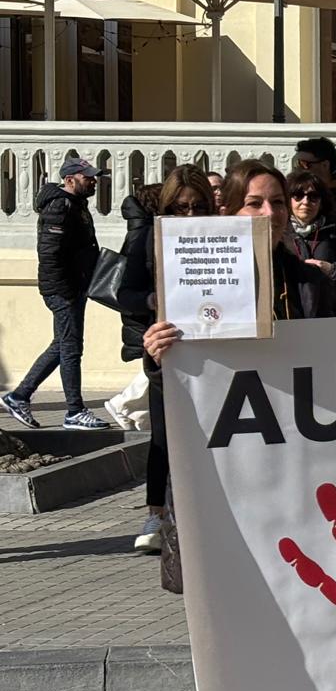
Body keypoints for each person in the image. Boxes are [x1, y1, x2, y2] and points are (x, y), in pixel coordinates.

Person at [144, 159, 336, 691]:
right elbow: (174, 384)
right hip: (214, 471)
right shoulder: (191, 273)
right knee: (223, 604)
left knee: (277, 606)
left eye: (277, 202)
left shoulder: (308, 285)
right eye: (254, 203)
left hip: (285, 470)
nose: (269, 214)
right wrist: (157, 353)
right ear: (229, 210)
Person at [120, 168, 213, 556]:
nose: (189, 215)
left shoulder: (227, 237)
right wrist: (152, 301)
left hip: (215, 348)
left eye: (198, 207)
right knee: (163, 435)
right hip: (167, 349)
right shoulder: (148, 238)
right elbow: (125, 293)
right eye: (180, 208)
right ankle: (156, 515)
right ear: (166, 207)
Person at [3, 157, 112, 431]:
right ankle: (75, 411)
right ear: (70, 180)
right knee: (71, 349)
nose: (93, 182)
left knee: (62, 345)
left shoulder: (75, 204)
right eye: (88, 177)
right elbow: (50, 254)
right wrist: (66, 292)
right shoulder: (59, 207)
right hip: (64, 290)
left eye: (94, 177)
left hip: (74, 287)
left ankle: (19, 396)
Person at [103, 182, 163, 435]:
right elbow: (128, 288)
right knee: (155, 365)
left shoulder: (140, 228)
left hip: (144, 311)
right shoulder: (144, 233)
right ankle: (123, 405)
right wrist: (150, 300)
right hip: (144, 312)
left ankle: (128, 408)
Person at [284, 169, 336, 303]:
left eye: (313, 196)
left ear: (322, 202)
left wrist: (332, 270)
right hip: (291, 310)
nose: (306, 201)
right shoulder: (279, 235)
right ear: (288, 200)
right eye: (298, 195)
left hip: (328, 311)